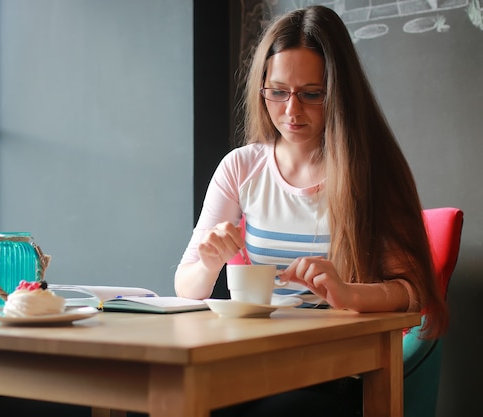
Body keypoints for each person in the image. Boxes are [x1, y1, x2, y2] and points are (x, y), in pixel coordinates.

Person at [174, 5, 448, 417]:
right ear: (262, 87)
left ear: (338, 92)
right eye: (278, 92)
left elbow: (414, 295)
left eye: (311, 94)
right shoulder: (241, 167)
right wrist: (208, 263)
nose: (291, 110)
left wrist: (347, 293)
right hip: (258, 363)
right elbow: (186, 286)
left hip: (340, 374)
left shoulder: (370, 171)